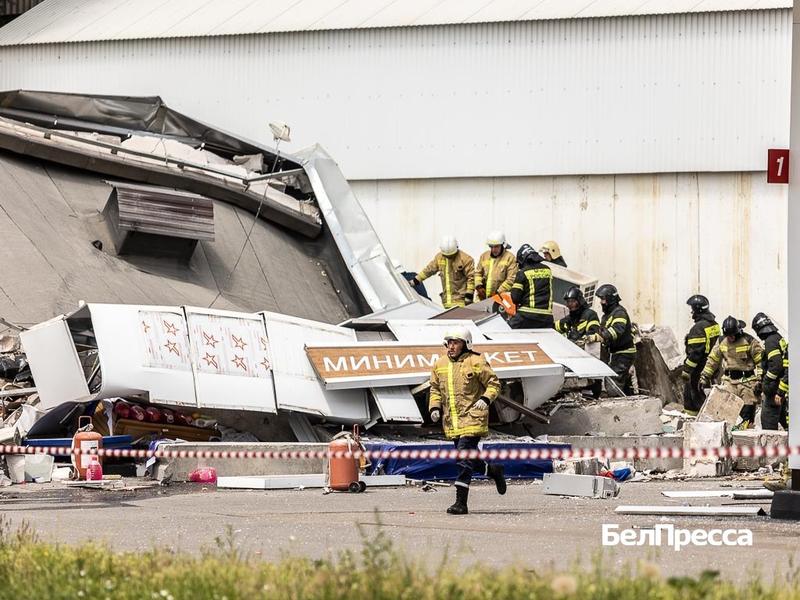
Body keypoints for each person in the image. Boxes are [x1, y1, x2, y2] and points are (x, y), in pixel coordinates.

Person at [428, 326, 505, 515]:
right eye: (450, 342)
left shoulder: (476, 361)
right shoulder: (440, 364)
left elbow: (494, 384)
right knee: (471, 459)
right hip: (452, 422)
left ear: (466, 344)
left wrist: (485, 399)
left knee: (463, 458)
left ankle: (461, 503)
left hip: (473, 418)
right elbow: (435, 389)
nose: (451, 346)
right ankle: (493, 470)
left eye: (456, 342)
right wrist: (435, 407)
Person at [700, 316, 763, 429]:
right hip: (728, 382)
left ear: (739, 331)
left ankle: (745, 441)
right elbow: (713, 360)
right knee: (727, 414)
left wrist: (759, 380)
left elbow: (760, 361)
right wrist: (704, 376)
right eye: (728, 335)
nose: (730, 338)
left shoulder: (749, 341)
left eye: (732, 335)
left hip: (747, 383)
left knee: (746, 417)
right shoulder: (721, 341)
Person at [593, 284, 636, 394]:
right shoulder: (607, 315)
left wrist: (601, 337)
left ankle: (617, 405)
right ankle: (630, 400)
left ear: (610, 299)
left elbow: (617, 330)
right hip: (616, 353)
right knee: (623, 382)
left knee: (613, 381)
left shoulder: (619, 312)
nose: (601, 302)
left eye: (603, 299)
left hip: (624, 353)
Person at [680, 295, 721, 413]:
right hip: (712, 367)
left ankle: (694, 422)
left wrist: (687, 370)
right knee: (707, 396)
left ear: (698, 309)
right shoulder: (714, 324)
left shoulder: (698, 328)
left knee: (693, 399)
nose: (691, 311)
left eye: (692, 308)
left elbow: (695, 353)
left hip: (698, 369)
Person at [412, 236, 475, 309]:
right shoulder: (439, 257)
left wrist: (469, 296)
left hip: (461, 301)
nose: (448, 257)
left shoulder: (466, 259)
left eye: (451, 255)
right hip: (447, 302)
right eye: (446, 256)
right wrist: (415, 281)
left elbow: (471, 278)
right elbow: (429, 270)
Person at [752, 312, 789, 430]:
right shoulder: (777, 337)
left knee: (768, 422)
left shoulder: (770, 341)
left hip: (773, 389)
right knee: (784, 419)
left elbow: (776, 365)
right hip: (780, 387)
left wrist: (766, 381)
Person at [508, 244, 554, 329]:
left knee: (506, 330)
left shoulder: (522, 273)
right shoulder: (548, 270)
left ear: (522, 259)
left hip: (526, 315)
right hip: (547, 317)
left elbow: (515, 298)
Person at [474, 230, 518, 301]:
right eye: (491, 246)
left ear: (503, 245)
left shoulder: (510, 258)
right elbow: (478, 273)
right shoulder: (484, 256)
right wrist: (479, 286)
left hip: (501, 299)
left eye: (496, 246)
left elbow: (511, 279)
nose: (493, 249)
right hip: (482, 298)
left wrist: (498, 293)